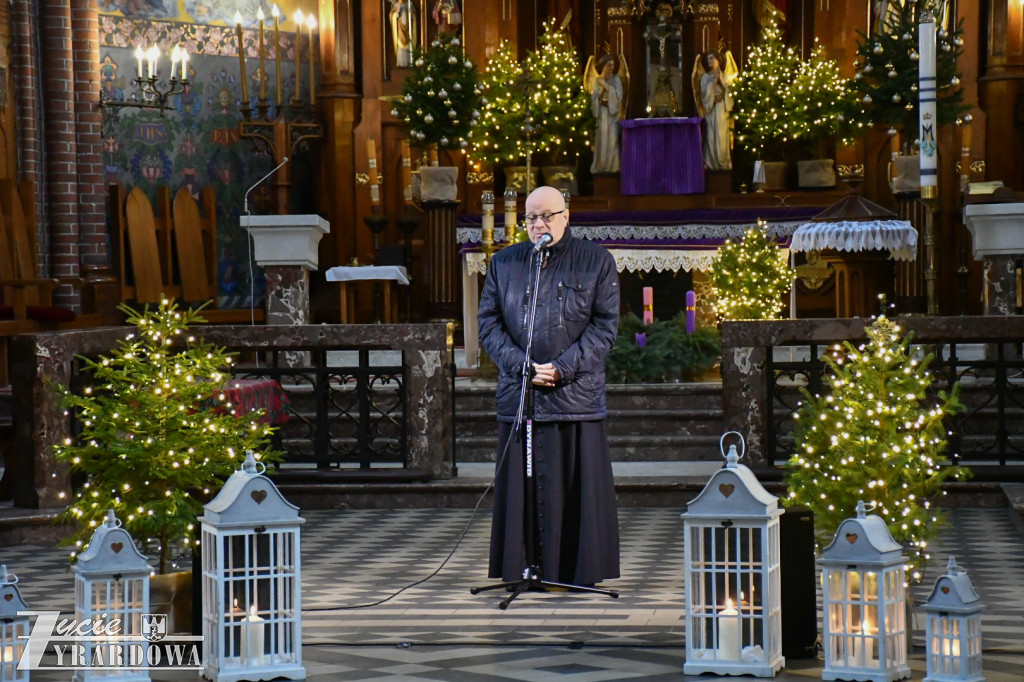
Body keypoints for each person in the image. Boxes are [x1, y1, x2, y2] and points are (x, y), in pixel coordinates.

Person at [477, 185, 621, 587]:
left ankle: (576, 570)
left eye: (547, 216)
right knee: (520, 489)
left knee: (575, 488)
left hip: (574, 396)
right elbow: (488, 322)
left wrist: (561, 368)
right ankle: (523, 566)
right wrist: (520, 365)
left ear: (566, 215)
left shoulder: (596, 261)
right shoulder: (505, 263)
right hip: (521, 393)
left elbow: (605, 328)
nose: (538, 225)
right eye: (531, 218)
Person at [699, 51, 734, 171]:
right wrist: (712, 84)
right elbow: (703, 95)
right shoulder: (705, 77)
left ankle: (722, 163)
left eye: (711, 58)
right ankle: (710, 163)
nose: (709, 61)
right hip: (711, 108)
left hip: (721, 109)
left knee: (721, 135)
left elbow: (731, 92)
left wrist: (721, 82)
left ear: (718, 60)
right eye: (708, 59)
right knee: (711, 135)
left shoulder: (724, 75)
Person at [589, 55, 623, 174]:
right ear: (603, 66)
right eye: (609, 65)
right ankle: (600, 167)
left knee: (612, 139)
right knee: (601, 140)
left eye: (613, 65)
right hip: (602, 114)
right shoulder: (596, 80)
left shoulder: (616, 79)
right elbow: (594, 99)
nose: (611, 68)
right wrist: (602, 88)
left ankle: (613, 167)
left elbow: (618, 97)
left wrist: (606, 85)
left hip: (611, 114)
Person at [389, 0, 418, 67]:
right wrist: (396, 14)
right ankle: (401, 64)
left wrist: (411, 14)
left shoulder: (409, 4)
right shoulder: (396, 5)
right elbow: (391, 15)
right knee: (400, 47)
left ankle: (409, 62)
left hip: (409, 30)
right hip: (400, 30)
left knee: (409, 45)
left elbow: (414, 16)